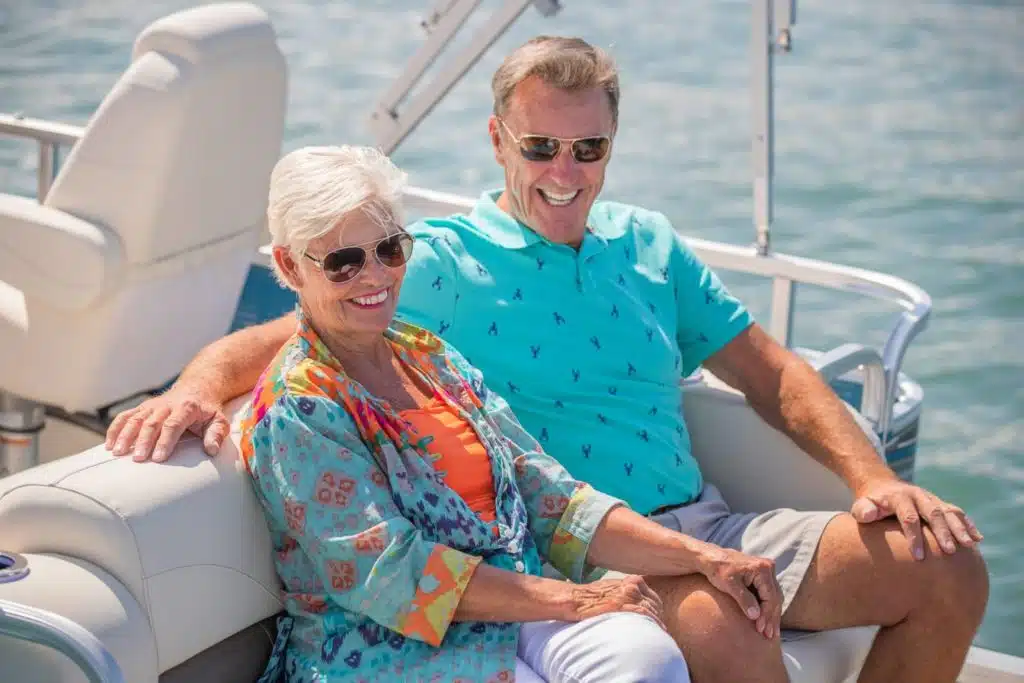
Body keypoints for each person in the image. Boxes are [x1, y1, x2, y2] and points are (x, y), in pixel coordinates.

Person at [109, 36, 989, 683]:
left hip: (692, 520)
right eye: (539, 147)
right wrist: (191, 388)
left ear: (611, 146)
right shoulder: (430, 274)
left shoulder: (629, 253)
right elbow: (292, 345)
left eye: (587, 148)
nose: (564, 170)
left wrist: (871, 477)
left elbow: (767, 374)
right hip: (556, 569)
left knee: (946, 566)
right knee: (726, 636)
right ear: (499, 141)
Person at [233, 143, 785, 682]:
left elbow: (549, 497)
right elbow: (392, 579)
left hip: (507, 603)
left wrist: (707, 557)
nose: (375, 276)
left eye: (390, 250)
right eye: (344, 262)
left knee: (647, 660)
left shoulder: (428, 355)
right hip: (381, 647)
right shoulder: (298, 407)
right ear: (288, 266)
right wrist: (576, 598)